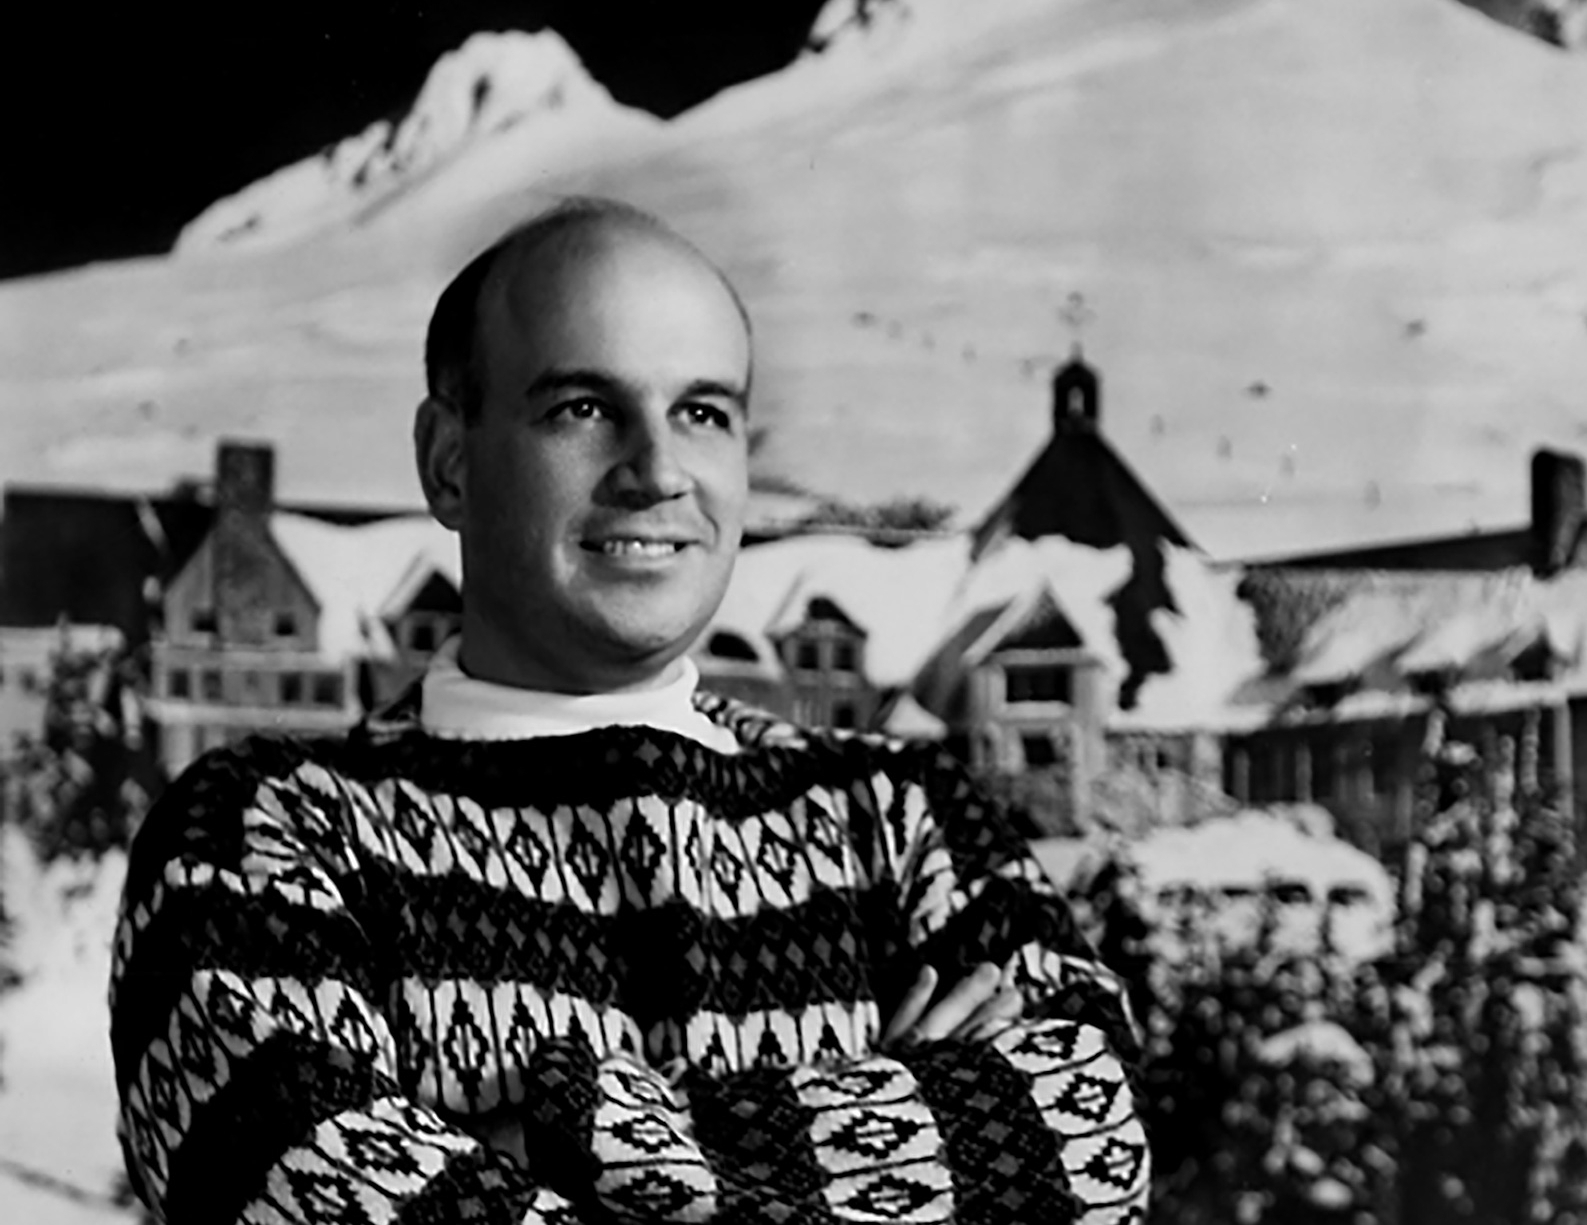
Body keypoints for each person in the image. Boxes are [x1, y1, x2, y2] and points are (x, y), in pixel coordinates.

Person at [109, 199, 1149, 1224]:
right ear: (449, 461)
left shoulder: (909, 814)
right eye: (582, 408)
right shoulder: (258, 835)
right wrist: (900, 1122)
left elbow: (1100, 1142)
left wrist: (550, 1136)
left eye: (702, 412)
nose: (656, 471)